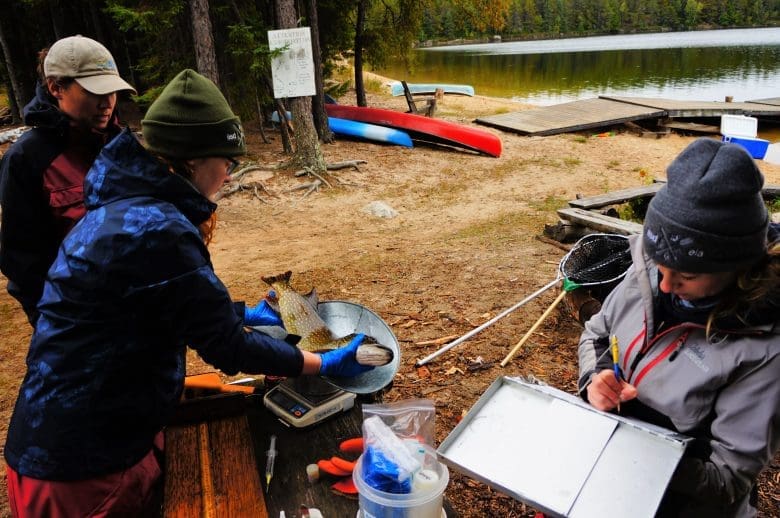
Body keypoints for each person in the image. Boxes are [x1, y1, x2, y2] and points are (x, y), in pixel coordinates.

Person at [3, 69, 371, 516]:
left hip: (88, 435)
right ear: (193, 160)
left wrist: (244, 313)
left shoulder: (129, 206)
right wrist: (321, 361)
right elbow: (226, 347)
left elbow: (160, 304)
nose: (231, 173)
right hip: (82, 461)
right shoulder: (158, 228)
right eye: (227, 160)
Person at [578, 138, 779, 517]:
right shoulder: (650, 270)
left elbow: (727, 481)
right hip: (611, 475)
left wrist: (637, 451)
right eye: (661, 266)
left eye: (687, 274)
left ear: (738, 266)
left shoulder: (765, 347)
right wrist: (597, 377)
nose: (666, 286)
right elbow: (597, 331)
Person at [0, 35, 136, 325]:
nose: (107, 102)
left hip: (132, 307)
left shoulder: (122, 145)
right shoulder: (27, 158)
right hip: (72, 319)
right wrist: (57, 320)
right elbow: (22, 261)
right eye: (94, 91)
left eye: (111, 91)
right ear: (56, 87)